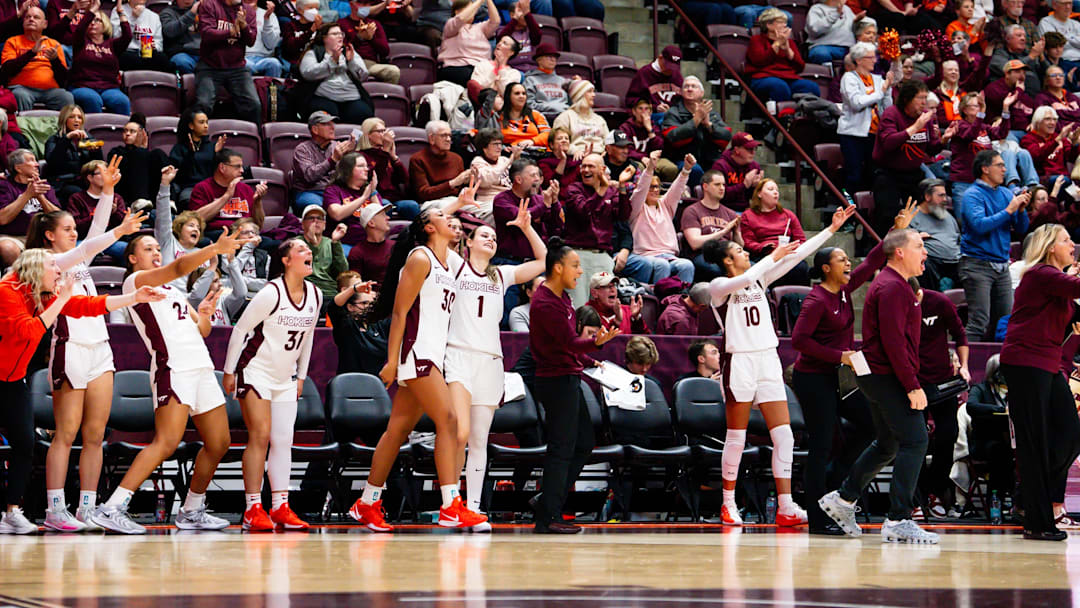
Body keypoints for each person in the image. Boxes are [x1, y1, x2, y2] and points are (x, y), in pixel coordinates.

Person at [706, 204, 856, 526]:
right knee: (737, 436)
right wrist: (770, 258)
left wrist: (830, 230)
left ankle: (786, 506)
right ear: (727, 261)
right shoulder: (718, 288)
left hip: (768, 360)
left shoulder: (759, 280)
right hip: (740, 361)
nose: (746, 253)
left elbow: (795, 257)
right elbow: (749, 274)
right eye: (740, 251)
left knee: (785, 436)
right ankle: (727, 503)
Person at [89, 229, 247, 534]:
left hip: (201, 366)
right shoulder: (135, 283)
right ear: (134, 258)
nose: (156, 252)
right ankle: (112, 507)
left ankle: (191, 510)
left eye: (157, 248)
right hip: (173, 368)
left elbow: (200, 330)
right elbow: (176, 268)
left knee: (219, 442)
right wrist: (214, 248)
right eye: (148, 249)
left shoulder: (174, 292)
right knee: (166, 441)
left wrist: (203, 314)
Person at [347, 198, 490, 533]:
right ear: (427, 227)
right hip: (416, 354)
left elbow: (477, 260)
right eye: (441, 216)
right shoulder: (420, 257)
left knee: (396, 431)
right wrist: (392, 361)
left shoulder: (448, 261)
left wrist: (464, 204)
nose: (449, 219)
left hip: (431, 355)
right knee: (450, 420)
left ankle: (367, 502)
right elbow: (399, 313)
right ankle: (450, 504)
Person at [0, 247, 161, 534]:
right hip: (12, 373)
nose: (60, 271)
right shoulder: (7, 291)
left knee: (26, 444)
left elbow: (88, 306)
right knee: (64, 432)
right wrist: (62, 298)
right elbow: (29, 332)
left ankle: (16, 511)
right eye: (54, 266)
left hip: (14, 379)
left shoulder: (44, 293)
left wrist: (132, 298)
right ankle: (55, 508)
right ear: (37, 268)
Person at [26, 158, 147, 532]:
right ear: (49, 235)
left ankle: (87, 507)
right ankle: (55, 508)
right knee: (66, 433)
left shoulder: (78, 259)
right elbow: (90, 243)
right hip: (70, 347)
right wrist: (120, 231)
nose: (73, 233)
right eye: (66, 229)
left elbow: (94, 228)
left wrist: (109, 191)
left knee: (96, 435)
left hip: (101, 349)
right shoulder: (50, 262)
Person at [818, 228, 941, 543]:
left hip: (877, 375)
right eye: (918, 246)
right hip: (886, 376)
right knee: (915, 441)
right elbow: (893, 344)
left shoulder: (896, 286)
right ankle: (899, 518)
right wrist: (913, 386)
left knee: (888, 444)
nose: (925, 253)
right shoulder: (891, 288)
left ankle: (843, 499)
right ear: (899, 252)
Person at [792, 205, 905, 534]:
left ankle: (841, 487)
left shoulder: (842, 291)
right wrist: (838, 356)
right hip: (813, 378)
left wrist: (894, 231)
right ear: (826, 268)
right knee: (821, 445)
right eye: (842, 260)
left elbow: (871, 260)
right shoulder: (815, 301)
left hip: (838, 379)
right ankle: (816, 519)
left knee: (873, 426)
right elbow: (799, 340)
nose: (849, 264)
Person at [447, 204, 546, 528]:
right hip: (458, 355)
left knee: (478, 439)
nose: (490, 240)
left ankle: (473, 509)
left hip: (490, 362)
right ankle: (451, 503)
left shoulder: (500, 274)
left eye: (493, 236)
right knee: (459, 433)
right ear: (469, 242)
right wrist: (458, 205)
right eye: (483, 236)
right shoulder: (455, 267)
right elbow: (426, 238)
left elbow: (544, 262)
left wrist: (526, 227)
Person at [224, 239, 324, 531]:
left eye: (309, 250)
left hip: (285, 377)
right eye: (301, 250)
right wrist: (230, 371)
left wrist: (301, 376)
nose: (309, 253)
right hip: (255, 370)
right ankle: (252, 508)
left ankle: (280, 507)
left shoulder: (316, 294)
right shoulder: (271, 293)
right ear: (285, 260)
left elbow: (309, 338)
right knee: (261, 435)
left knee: (283, 440)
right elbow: (241, 329)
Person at [529, 237, 619, 533]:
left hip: (568, 376)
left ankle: (546, 500)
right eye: (575, 266)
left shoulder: (562, 296)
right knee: (562, 448)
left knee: (583, 443)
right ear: (557, 268)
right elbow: (569, 342)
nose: (580, 272)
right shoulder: (545, 303)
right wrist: (597, 342)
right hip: (556, 381)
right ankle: (547, 517)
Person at [999, 223, 1080, 541]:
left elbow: (1068, 322)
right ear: (1050, 247)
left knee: (1071, 434)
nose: (1073, 243)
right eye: (1066, 239)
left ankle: (1028, 496)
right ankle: (1037, 521)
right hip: (1024, 362)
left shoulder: (1059, 286)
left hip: (1046, 364)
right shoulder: (1040, 275)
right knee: (1034, 442)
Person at [906, 277, 969, 519]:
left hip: (942, 381)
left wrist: (963, 366)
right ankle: (917, 497)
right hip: (912, 382)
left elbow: (960, 336)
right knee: (916, 438)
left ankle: (936, 490)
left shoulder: (939, 302)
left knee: (949, 433)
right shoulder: (895, 307)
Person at [959, 149, 1030, 341]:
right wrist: (1009, 210)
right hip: (977, 264)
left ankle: (1001, 367)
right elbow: (980, 226)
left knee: (1006, 321)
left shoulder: (1006, 193)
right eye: (1000, 165)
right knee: (979, 322)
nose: (1005, 169)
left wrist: (1021, 210)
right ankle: (967, 367)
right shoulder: (972, 195)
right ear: (985, 169)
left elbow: (1022, 229)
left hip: (1002, 265)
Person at [871, 79, 943, 237]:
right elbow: (888, 143)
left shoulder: (924, 117)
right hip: (888, 172)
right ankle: (881, 250)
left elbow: (931, 149)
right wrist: (915, 128)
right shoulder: (892, 113)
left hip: (913, 173)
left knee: (919, 214)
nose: (924, 103)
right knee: (887, 214)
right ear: (907, 99)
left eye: (926, 98)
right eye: (920, 98)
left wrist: (944, 139)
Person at [563, 153, 631, 305]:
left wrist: (621, 186)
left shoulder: (611, 192)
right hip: (578, 255)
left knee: (603, 306)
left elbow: (623, 215)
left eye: (591, 166)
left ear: (603, 169)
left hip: (603, 256)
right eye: (583, 166)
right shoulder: (574, 189)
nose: (585, 170)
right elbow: (584, 212)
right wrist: (602, 190)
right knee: (579, 306)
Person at [948, 92, 1037, 205]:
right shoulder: (959, 125)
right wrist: (981, 114)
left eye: (981, 105)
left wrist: (1005, 108)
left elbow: (1001, 133)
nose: (980, 108)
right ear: (965, 110)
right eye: (976, 105)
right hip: (964, 182)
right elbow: (970, 134)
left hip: (985, 183)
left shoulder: (983, 127)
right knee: (964, 220)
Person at [628, 151, 695, 283]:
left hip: (669, 255)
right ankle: (660, 300)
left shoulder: (665, 205)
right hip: (646, 256)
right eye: (651, 187)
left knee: (687, 265)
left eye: (657, 187)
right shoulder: (636, 208)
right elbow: (640, 190)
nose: (655, 190)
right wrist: (650, 169)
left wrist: (686, 170)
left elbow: (676, 190)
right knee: (662, 266)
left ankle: (680, 300)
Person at [838, 42, 893, 192]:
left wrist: (887, 92)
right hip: (852, 134)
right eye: (870, 57)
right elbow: (857, 103)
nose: (875, 60)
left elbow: (887, 109)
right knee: (854, 175)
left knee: (873, 175)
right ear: (859, 60)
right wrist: (880, 92)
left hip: (874, 134)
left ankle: (865, 212)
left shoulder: (877, 79)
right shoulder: (849, 78)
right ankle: (847, 207)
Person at [195, 0, 261, 122]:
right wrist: (230, 32)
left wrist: (244, 26)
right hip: (210, 66)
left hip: (237, 67)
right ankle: (200, 140)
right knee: (203, 104)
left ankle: (253, 139)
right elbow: (206, 34)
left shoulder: (248, 10)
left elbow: (251, 41)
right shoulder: (210, 5)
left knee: (254, 105)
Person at [1, 6, 74, 111]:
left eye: (36, 17)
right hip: (22, 89)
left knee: (66, 97)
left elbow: (63, 80)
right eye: (27, 17)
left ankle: (60, 127)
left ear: (45, 24)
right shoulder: (12, 42)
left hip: (51, 91)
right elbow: (6, 71)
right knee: (19, 95)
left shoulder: (53, 44)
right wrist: (31, 53)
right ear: (23, 23)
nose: (31, 19)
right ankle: (24, 127)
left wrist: (54, 60)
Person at [298, 23, 373, 124]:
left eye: (341, 33)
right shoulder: (314, 53)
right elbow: (308, 74)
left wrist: (351, 62)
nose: (340, 36)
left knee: (363, 113)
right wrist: (332, 61)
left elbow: (363, 76)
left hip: (351, 97)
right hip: (324, 97)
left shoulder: (349, 52)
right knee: (328, 116)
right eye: (335, 34)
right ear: (324, 38)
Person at [739, 178, 809, 286]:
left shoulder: (788, 215)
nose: (776, 192)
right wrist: (763, 247)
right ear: (759, 194)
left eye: (777, 190)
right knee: (768, 268)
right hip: (763, 255)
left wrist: (791, 247)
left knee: (801, 267)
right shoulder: (747, 215)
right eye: (771, 189)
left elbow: (801, 240)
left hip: (787, 254)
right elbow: (748, 241)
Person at [662, 77, 731, 183]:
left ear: (702, 93)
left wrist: (708, 125)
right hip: (681, 159)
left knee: (724, 168)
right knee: (695, 170)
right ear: (681, 92)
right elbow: (673, 137)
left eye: (694, 86)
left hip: (708, 159)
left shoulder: (712, 114)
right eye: (686, 86)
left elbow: (726, 136)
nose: (689, 89)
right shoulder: (673, 112)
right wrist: (696, 120)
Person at [189, 148, 268, 236]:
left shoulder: (246, 189)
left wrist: (257, 202)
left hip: (246, 233)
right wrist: (227, 196)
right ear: (222, 167)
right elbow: (196, 219)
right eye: (237, 166)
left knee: (273, 244)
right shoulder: (202, 188)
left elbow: (259, 225)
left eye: (242, 166)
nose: (242, 170)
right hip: (218, 235)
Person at [746, 8, 819, 103]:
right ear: (769, 25)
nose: (785, 25)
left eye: (785, 22)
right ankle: (783, 116)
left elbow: (800, 67)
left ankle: (804, 114)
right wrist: (776, 44)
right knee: (779, 86)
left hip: (788, 77)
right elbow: (759, 61)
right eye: (780, 22)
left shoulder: (790, 42)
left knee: (811, 87)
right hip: (763, 77)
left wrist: (787, 50)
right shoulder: (756, 40)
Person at [682, 170, 742, 281]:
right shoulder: (692, 211)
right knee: (715, 270)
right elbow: (694, 243)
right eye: (717, 184)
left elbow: (740, 245)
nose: (722, 188)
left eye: (723, 185)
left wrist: (736, 232)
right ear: (705, 186)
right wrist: (723, 232)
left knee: (751, 267)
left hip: (727, 253)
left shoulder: (731, 213)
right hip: (704, 254)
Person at [69, 8, 131, 114]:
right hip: (83, 86)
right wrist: (92, 10)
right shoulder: (80, 42)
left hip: (109, 87)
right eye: (90, 20)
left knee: (122, 101)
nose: (92, 23)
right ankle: (94, 130)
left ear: (105, 24)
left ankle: (122, 130)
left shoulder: (113, 44)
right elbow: (79, 29)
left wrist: (121, 12)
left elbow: (127, 36)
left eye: (97, 20)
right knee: (92, 99)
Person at [292, 110, 354, 214]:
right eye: (327, 124)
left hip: (335, 191)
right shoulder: (302, 149)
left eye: (332, 124)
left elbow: (346, 177)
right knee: (319, 207)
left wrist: (350, 156)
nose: (333, 127)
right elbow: (309, 177)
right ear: (315, 129)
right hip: (311, 192)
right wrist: (333, 160)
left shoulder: (336, 146)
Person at [358, 117, 419, 219]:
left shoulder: (386, 155)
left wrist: (394, 157)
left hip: (395, 197)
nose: (385, 135)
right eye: (380, 131)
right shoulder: (361, 156)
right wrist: (385, 151)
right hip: (374, 197)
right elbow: (376, 178)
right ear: (368, 135)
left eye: (384, 130)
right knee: (386, 205)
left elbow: (404, 179)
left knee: (412, 205)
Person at [327, 271, 386, 375]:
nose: (369, 307)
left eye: (371, 304)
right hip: (350, 384)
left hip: (377, 384)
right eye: (364, 303)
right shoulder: (346, 325)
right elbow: (334, 306)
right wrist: (354, 289)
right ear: (350, 307)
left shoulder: (379, 324)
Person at [323, 152, 386, 248]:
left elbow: (380, 221)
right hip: (345, 243)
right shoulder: (334, 190)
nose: (366, 169)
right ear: (348, 170)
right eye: (361, 166)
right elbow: (337, 214)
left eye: (367, 166)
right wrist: (363, 198)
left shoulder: (371, 192)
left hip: (370, 243)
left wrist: (372, 192)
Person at [67, 161, 129, 256]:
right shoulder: (76, 198)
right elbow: (76, 226)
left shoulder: (116, 198)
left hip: (109, 240)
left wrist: (114, 213)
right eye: (101, 173)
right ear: (90, 178)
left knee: (127, 249)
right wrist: (98, 215)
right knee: (74, 252)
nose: (106, 176)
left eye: (107, 172)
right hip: (85, 241)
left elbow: (121, 226)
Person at [45, 104, 103, 203]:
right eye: (72, 117)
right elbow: (52, 163)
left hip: (86, 181)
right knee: (79, 193)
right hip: (63, 183)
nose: (76, 120)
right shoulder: (55, 140)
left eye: (79, 117)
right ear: (64, 119)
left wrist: (95, 151)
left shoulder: (89, 139)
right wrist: (66, 139)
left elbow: (99, 164)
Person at [909, 179, 960, 290]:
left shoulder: (947, 216)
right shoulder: (911, 217)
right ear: (927, 196)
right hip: (931, 264)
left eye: (945, 196)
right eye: (941, 196)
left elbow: (958, 239)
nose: (945, 200)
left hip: (955, 262)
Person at [0, 149, 61, 243]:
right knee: (7, 248)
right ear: (18, 168)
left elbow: (59, 218)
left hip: (43, 236)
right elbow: (3, 219)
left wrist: (40, 197)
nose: (37, 164)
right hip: (15, 237)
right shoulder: (5, 186)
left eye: (36, 160)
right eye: (31, 160)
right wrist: (27, 194)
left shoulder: (43, 185)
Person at [107, 115, 169, 205]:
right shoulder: (116, 151)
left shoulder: (150, 154)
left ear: (142, 134)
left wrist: (142, 150)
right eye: (125, 131)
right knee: (140, 154)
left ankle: (169, 200)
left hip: (150, 190)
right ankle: (139, 201)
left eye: (132, 131)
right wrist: (139, 150)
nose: (127, 134)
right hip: (126, 188)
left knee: (158, 153)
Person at [437, 0, 500, 87]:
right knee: (480, 80)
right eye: (470, 9)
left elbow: (495, 21)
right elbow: (461, 18)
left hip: (481, 68)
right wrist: (479, 2)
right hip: (457, 67)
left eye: (474, 10)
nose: (473, 13)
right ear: (457, 11)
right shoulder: (451, 26)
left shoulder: (480, 28)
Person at [168, 107, 222, 206]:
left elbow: (217, 171)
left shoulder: (213, 147)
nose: (206, 126)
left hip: (209, 186)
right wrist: (190, 154)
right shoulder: (180, 148)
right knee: (188, 199)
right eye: (201, 122)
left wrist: (217, 155)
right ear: (191, 125)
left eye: (207, 122)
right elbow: (179, 175)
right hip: (189, 187)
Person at [409, 120, 470, 206]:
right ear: (431, 138)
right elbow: (423, 194)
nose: (448, 139)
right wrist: (452, 183)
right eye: (443, 135)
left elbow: (461, 190)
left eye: (450, 135)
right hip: (431, 202)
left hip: (456, 200)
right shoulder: (417, 159)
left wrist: (470, 181)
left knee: (488, 207)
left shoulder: (457, 158)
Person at [338, 0, 400, 83]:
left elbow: (385, 51)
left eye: (367, 3)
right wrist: (359, 38)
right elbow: (341, 50)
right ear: (351, 4)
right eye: (361, 3)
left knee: (393, 71)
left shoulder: (374, 24)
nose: (365, 6)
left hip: (370, 64)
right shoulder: (341, 24)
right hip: (350, 63)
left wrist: (371, 38)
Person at [297, 204, 347, 303]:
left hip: (330, 292)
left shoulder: (330, 243)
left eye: (319, 218)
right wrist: (312, 245)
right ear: (303, 224)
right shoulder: (296, 243)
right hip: (306, 292)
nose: (315, 221)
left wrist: (336, 242)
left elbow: (342, 272)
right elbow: (300, 271)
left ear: (324, 224)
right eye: (311, 218)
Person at [345, 192, 396, 285]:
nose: (388, 218)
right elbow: (356, 284)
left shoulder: (396, 246)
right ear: (371, 223)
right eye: (383, 215)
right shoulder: (357, 252)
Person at [1021, 106, 1080, 185]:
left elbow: (1071, 158)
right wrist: (1056, 141)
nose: (1052, 123)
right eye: (1047, 119)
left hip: (1063, 177)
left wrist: (1074, 144)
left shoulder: (1058, 137)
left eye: (1054, 119)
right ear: (1037, 122)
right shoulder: (1027, 139)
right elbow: (1037, 156)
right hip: (1043, 178)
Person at [469, 128, 520, 221]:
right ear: (484, 147)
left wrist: (517, 159)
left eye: (500, 144)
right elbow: (485, 181)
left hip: (510, 198)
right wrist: (509, 161)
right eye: (495, 144)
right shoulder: (477, 162)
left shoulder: (503, 160)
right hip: (490, 201)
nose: (500, 147)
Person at [553, 80, 609, 159]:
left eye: (593, 91)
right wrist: (574, 150)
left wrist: (606, 153)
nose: (594, 95)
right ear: (579, 95)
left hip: (600, 157)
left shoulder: (599, 119)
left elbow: (608, 141)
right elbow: (559, 142)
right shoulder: (565, 117)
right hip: (577, 157)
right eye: (589, 91)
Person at [113, 0, 172, 72]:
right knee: (126, 58)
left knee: (162, 58)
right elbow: (117, 37)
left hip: (148, 54)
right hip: (127, 52)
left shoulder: (154, 16)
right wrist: (133, 18)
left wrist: (155, 46)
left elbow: (159, 43)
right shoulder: (119, 11)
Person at [708, 132, 760, 213]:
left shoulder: (754, 167)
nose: (753, 152)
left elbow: (752, 198)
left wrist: (756, 187)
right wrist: (744, 185)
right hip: (723, 211)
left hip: (745, 211)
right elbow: (719, 195)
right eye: (749, 149)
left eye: (754, 149)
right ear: (736, 150)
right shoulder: (720, 166)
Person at [624, 45, 684, 113]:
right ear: (660, 58)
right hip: (651, 116)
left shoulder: (677, 76)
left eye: (674, 67)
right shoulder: (644, 73)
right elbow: (630, 101)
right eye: (668, 66)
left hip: (673, 116)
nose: (670, 70)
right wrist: (654, 107)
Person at [989, 25, 1045, 94]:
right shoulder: (999, 54)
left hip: (1035, 95)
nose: (1023, 38)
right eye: (1019, 35)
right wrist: (1031, 57)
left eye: (1024, 36)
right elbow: (1008, 68)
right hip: (1009, 95)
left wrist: (1041, 56)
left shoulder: (1027, 54)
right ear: (1008, 39)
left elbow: (1047, 74)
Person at [468, 35, 521, 105]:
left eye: (504, 43)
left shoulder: (514, 73)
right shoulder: (482, 64)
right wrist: (494, 74)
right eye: (499, 41)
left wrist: (501, 67)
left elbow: (507, 95)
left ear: (511, 52)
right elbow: (477, 88)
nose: (499, 44)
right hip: (481, 105)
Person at [523, 42, 568, 122]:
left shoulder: (563, 81)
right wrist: (553, 107)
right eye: (549, 56)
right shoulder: (530, 80)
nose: (553, 59)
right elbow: (528, 104)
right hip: (541, 118)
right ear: (539, 60)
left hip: (565, 118)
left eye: (555, 57)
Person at [805, 0, 857, 65]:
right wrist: (835, 14)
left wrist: (859, 22)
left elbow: (855, 28)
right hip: (825, 47)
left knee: (869, 52)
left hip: (849, 48)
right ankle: (828, 73)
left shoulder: (847, 9)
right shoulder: (816, 9)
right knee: (820, 53)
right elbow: (815, 29)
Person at [500, 81, 551, 148]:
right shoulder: (498, 117)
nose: (521, 96)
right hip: (509, 154)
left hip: (536, 152)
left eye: (524, 93)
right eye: (517, 93)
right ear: (508, 96)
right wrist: (503, 148)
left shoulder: (536, 115)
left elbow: (548, 134)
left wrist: (532, 141)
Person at [497, 0, 539, 72]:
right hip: (512, 70)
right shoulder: (503, 30)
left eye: (528, 13)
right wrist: (515, 19)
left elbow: (537, 37)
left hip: (532, 70)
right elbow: (502, 38)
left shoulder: (531, 30)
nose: (526, 16)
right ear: (512, 15)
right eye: (522, 12)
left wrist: (527, 13)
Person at [245, 0, 283, 77]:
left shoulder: (270, 15)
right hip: (243, 58)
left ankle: (272, 89)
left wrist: (266, 19)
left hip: (264, 58)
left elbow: (271, 45)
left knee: (274, 64)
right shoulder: (233, 14)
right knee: (245, 65)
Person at [162, 0, 201, 74]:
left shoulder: (204, 10)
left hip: (203, 53)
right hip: (183, 53)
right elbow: (169, 32)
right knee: (181, 62)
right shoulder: (167, 13)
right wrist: (191, 13)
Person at [537, 126, 579, 191]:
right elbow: (549, 184)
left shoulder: (575, 161)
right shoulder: (544, 163)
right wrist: (563, 161)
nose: (564, 140)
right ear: (551, 145)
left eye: (566, 138)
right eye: (560, 139)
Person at [281, 0, 321, 65]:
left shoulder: (319, 26)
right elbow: (290, 47)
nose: (315, 11)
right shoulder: (290, 26)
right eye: (310, 8)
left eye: (316, 8)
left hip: (313, 62)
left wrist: (319, 29)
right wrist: (310, 32)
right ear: (300, 10)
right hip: (294, 62)